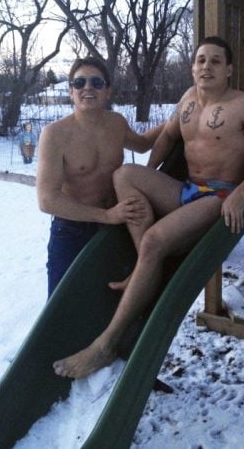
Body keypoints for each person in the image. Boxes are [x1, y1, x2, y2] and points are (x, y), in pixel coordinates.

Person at [53, 36, 244, 378]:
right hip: (187, 190)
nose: (207, 66)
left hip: (218, 197)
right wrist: (150, 175)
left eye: (216, 61)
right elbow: (168, 137)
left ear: (229, 69)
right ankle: (147, 265)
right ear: (192, 67)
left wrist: (241, 194)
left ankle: (106, 344)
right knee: (125, 175)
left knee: (155, 241)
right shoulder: (188, 101)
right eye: (201, 60)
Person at [36, 57, 164, 297]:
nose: (88, 88)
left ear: (107, 91)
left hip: (116, 229)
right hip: (72, 232)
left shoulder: (116, 123)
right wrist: (106, 215)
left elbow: (144, 144)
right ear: (71, 91)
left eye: (96, 82)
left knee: (112, 299)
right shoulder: (54, 135)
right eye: (80, 82)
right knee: (63, 305)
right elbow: (47, 200)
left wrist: (177, 119)